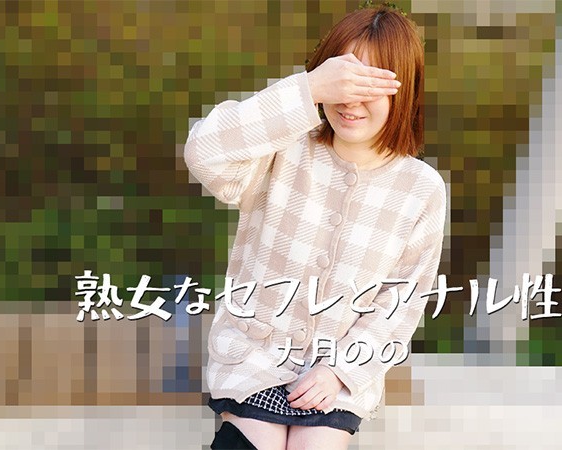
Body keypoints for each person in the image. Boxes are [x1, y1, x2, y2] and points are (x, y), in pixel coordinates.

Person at [183, 4, 445, 449]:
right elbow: (204, 151)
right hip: (253, 360)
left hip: (336, 377)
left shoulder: (421, 189)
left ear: (404, 91)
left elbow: (400, 302)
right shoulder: (283, 148)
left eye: (370, 85)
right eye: (343, 80)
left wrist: (341, 370)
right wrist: (306, 90)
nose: (351, 100)